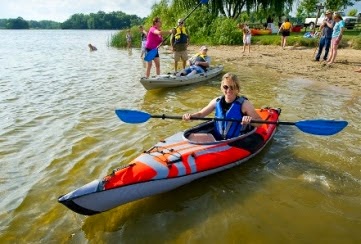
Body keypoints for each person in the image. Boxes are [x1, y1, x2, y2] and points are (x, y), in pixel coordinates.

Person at [182, 73, 262, 140]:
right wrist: (191, 116)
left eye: (232, 87)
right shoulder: (216, 101)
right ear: (221, 87)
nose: (228, 90)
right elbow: (200, 114)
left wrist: (250, 121)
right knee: (190, 136)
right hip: (217, 138)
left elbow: (260, 122)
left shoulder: (244, 104)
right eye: (226, 87)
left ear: (237, 88)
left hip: (236, 141)